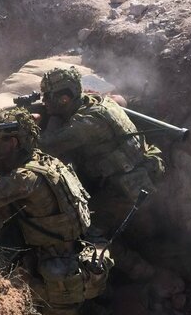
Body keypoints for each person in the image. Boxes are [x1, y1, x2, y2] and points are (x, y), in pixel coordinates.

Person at [0, 108, 109, 315]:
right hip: (74, 256)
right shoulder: (47, 161)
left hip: (57, 276)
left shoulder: (25, 179)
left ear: (13, 143)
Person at [37, 67, 167, 282]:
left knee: (84, 232)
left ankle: (143, 273)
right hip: (140, 173)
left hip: (127, 189)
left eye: (48, 97)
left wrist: (38, 122)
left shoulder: (86, 124)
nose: (45, 102)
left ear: (65, 98)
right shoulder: (96, 102)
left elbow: (46, 146)